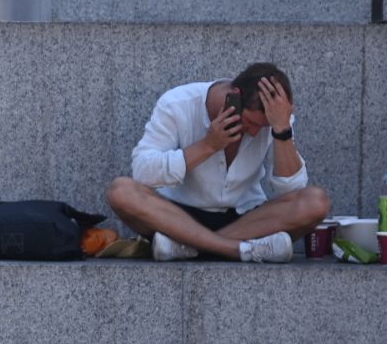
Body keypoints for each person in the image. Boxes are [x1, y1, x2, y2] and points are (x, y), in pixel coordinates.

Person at [105, 63, 330, 262]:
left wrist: (282, 131)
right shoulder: (177, 103)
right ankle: (236, 250)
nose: (254, 132)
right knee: (121, 191)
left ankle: (191, 247)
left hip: (247, 218)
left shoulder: (276, 119)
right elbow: (143, 172)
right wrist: (207, 146)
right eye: (250, 122)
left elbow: (291, 191)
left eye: (263, 127)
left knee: (315, 202)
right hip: (176, 216)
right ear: (233, 95)